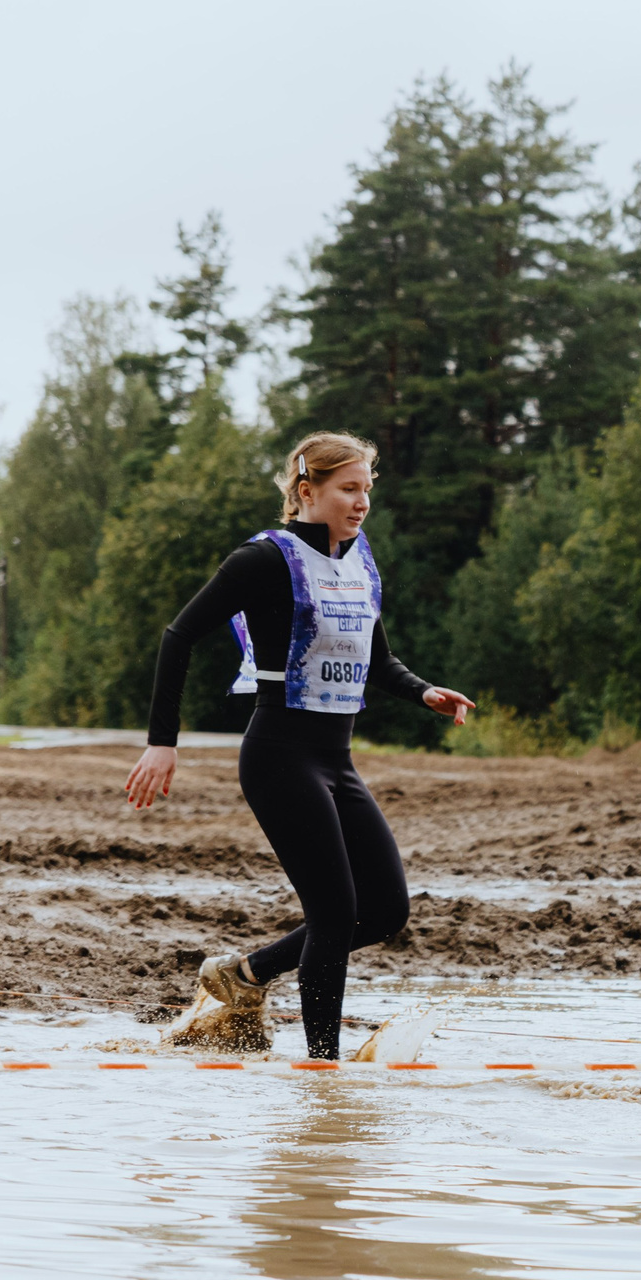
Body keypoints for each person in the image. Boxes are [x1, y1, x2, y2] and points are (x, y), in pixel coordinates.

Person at [121, 433, 476, 1059]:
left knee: (386, 910)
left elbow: (377, 658)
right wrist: (161, 744)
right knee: (335, 913)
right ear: (307, 491)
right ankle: (323, 1073)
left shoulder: (359, 560)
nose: (362, 501)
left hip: (335, 761)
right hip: (280, 757)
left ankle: (244, 975)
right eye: (349, 488)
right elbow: (178, 637)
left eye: (368, 488)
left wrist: (424, 693)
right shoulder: (262, 560)